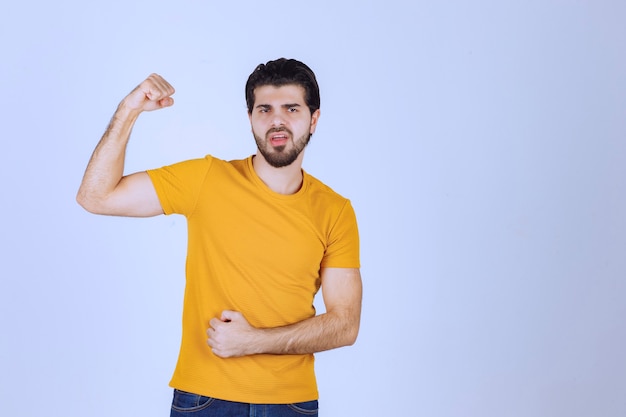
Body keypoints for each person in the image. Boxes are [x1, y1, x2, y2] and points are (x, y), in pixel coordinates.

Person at [77, 58, 362, 417]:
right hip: (204, 400)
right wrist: (129, 109)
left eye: (291, 108)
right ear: (250, 119)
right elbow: (95, 196)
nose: (277, 120)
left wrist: (253, 342)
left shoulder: (335, 210)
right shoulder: (206, 180)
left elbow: (345, 324)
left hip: (292, 404)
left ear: (313, 119)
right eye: (264, 109)